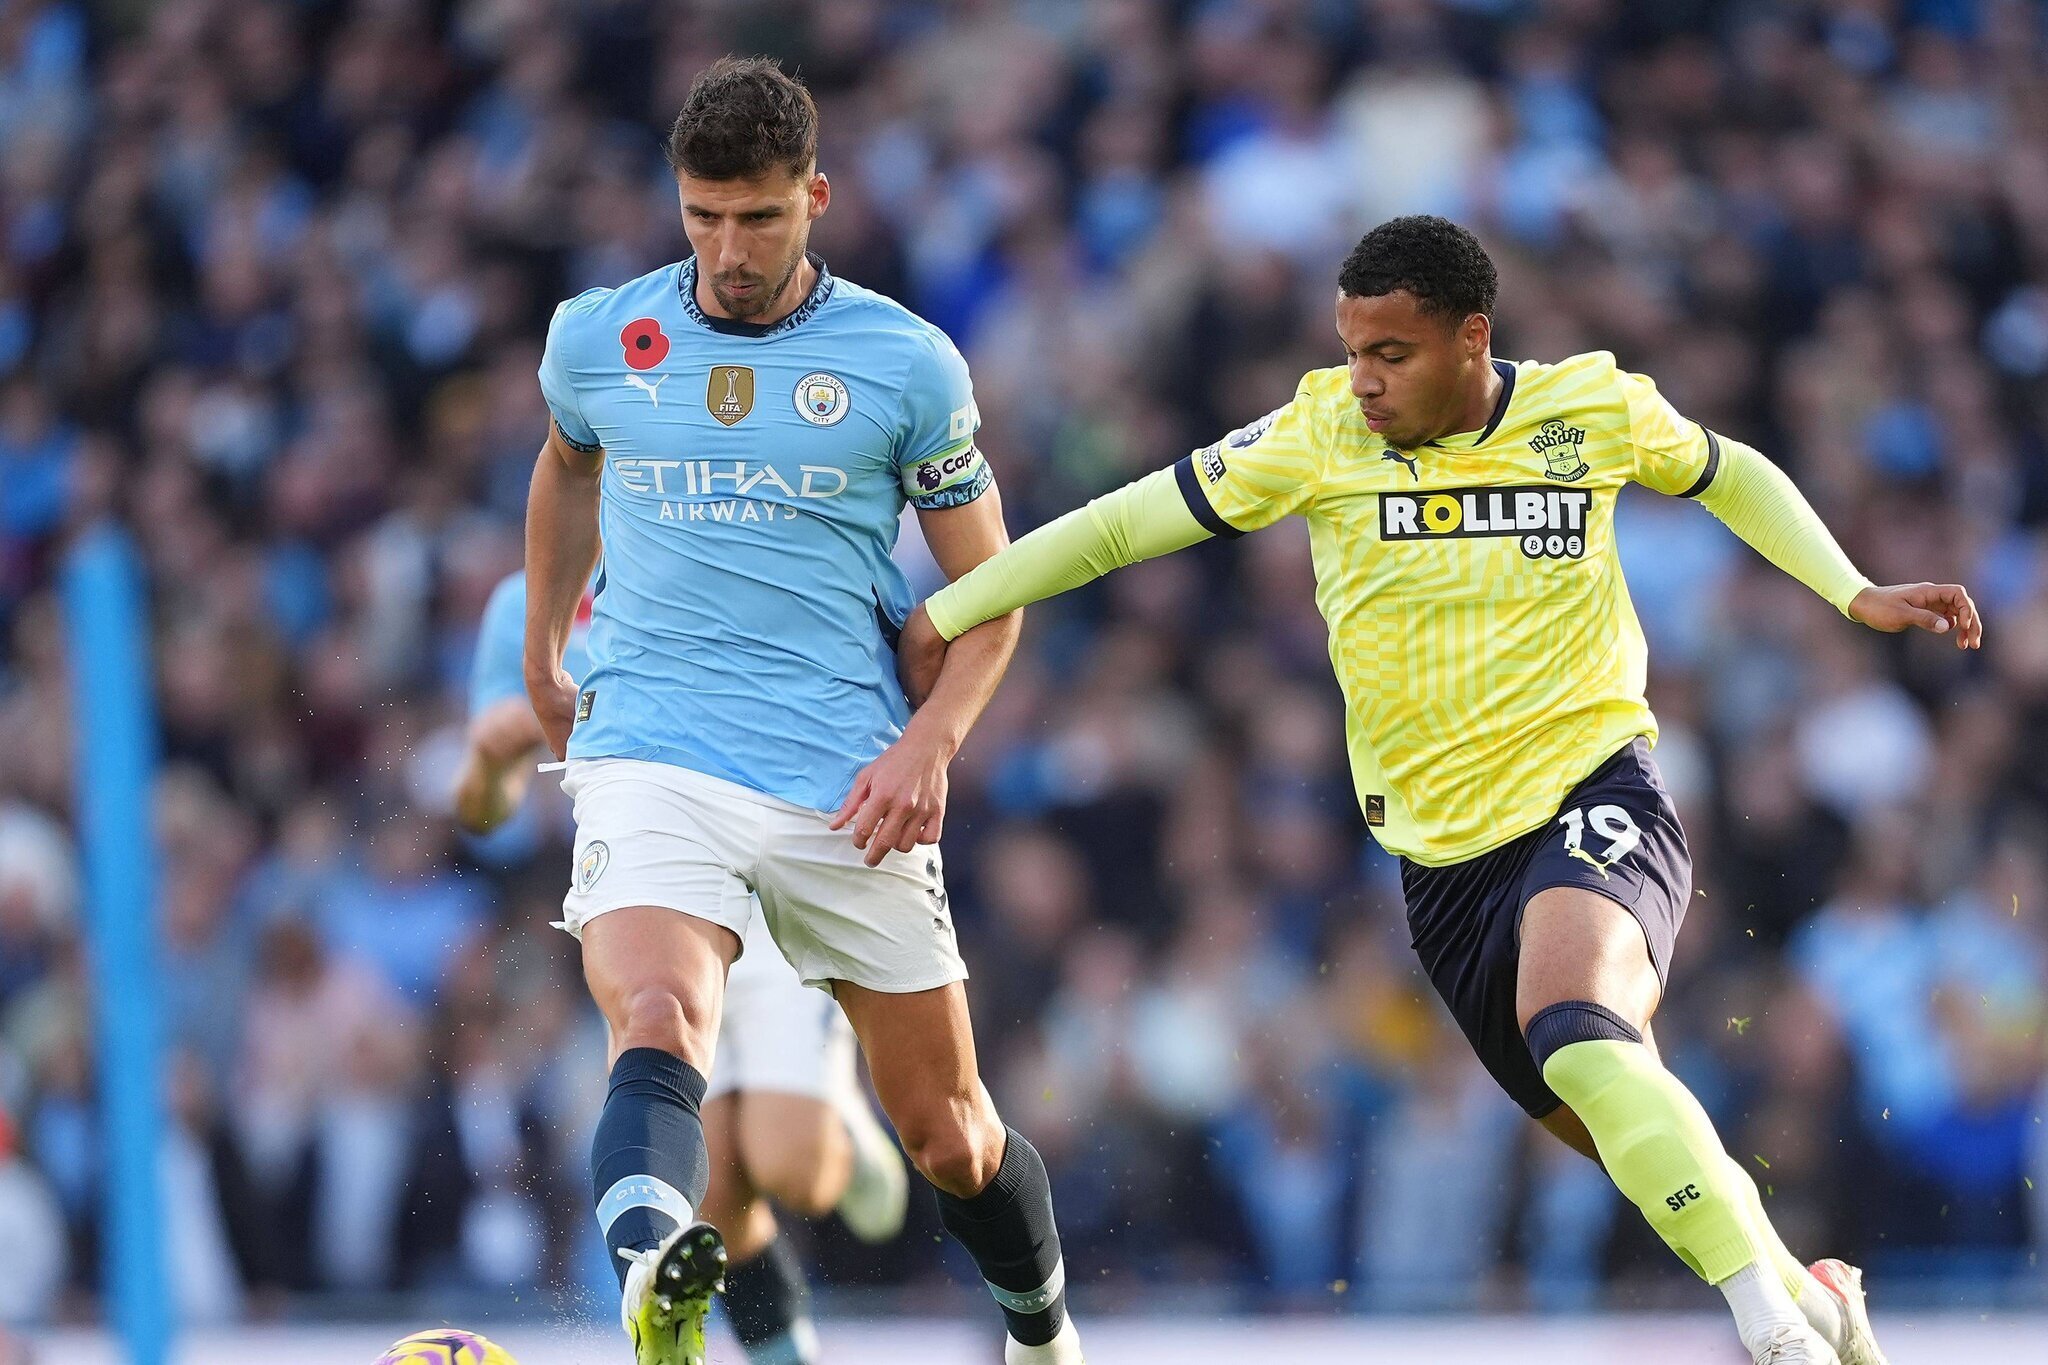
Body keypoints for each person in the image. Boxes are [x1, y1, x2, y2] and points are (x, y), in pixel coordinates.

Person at [901, 216, 1982, 1365]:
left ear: (1472, 337)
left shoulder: (1589, 407)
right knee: (1613, 1115)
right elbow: (1121, 526)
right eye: (1349, 349)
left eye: (1390, 355)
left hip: (1594, 791)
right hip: (1443, 868)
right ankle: (1814, 1302)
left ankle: (1775, 1338)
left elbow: (1728, 472)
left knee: (1576, 1029)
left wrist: (1849, 588)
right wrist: (951, 608)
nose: (1359, 381)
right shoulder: (1314, 435)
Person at [522, 57, 1083, 1365]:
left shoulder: (904, 364)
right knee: (654, 1016)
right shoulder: (599, 338)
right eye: (702, 216)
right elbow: (564, 468)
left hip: (845, 779)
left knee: (949, 1131)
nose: (726, 249)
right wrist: (545, 655)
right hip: (648, 749)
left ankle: (1046, 1339)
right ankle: (657, 1277)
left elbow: (995, 592)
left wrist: (928, 743)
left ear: (815, 197)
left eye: (758, 218)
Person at [456, 568, 909, 1363]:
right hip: (643, 895)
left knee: (792, 1169)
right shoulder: (523, 605)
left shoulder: (722, 544)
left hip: (768, 884)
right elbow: (482, 814)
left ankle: (839, 1112)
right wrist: (493, 755)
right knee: (713, 1196)